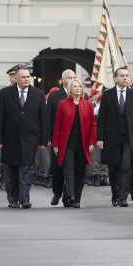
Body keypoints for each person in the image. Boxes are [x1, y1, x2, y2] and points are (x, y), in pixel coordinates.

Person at [0, 66, 49, 209]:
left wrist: (43, 140)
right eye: (23, 77)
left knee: (26, 169)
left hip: (30, 138)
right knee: (11, 170)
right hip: (9, 139)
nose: (27, 79)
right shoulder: (5, 93)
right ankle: (13, 198)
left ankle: (25, 199)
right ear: (15, 78)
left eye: (28, 76)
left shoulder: (38, 94)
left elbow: (44, 119)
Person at [96, 67, 133, 207]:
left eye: (127, 76)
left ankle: (123, 197)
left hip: (129, 138)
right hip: (112, 137)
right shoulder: (108, 95)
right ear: (115, 78)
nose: (125, 78)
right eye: (122, 76)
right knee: (113, 169)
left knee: (126, 166)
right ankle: (115, 193)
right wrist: (100, 138)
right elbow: (102, 118)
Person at [52, 79, 96, 208]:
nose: (77, 88)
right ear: (70, 90)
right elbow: (57, 124)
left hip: (82, 143)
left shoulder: (87, 104)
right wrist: (55, 144)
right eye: (75, 87)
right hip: (66, 143)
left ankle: (76, 198)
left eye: (79, 87)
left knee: (80, 171)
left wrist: (92, 141)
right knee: (68, 169)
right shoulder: (63, 104)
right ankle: (70, 196)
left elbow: (93, 124)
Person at [46, 69, 77, 205]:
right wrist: (47, 137)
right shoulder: (54, 96)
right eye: (69, 77)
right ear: (62, 80)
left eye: (74, 77)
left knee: (71, 168)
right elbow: (48, 118)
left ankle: (67, 195)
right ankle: (57, 192)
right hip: (58, 138)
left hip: (74, 138)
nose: (72, 80)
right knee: (58, 169)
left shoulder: (80, 94)